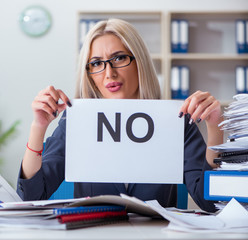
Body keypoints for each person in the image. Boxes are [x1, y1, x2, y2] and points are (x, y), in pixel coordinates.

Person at [16, 19, 223, 212]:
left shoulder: (175, 120)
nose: (109, 73)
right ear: (89, 75)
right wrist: (38, 127)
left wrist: (214, 126)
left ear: (139, 62)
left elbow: (211, 202)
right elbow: (32, 196)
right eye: (96, 63)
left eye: (119, 58)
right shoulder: (78, 122)